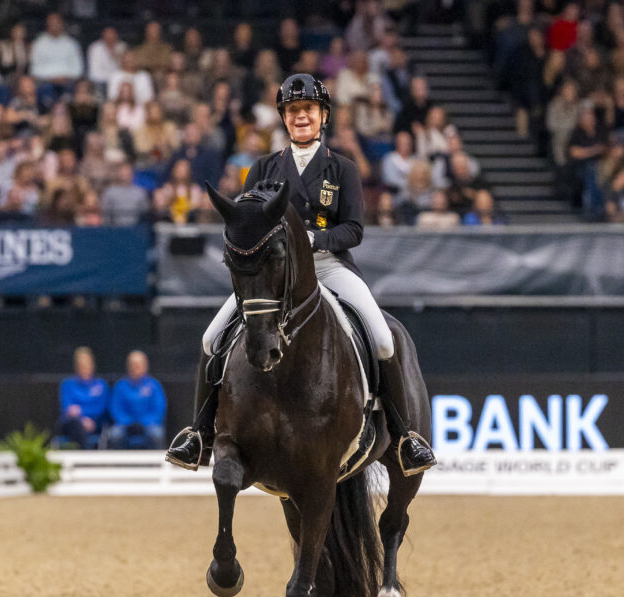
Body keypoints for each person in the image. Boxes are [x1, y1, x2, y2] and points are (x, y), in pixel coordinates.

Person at [165, 73, 436, 475]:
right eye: (293, 111)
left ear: (322, 115)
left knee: (381, 338)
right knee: (211, 338)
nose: (301, 117)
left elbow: (354, 230)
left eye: (308, 109)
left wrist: (314, 240)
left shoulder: (341, 168)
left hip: (329, 266)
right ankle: (199, 435)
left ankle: (403, 437)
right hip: (274, 274)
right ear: (284, 118)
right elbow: (248, 222)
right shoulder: (263, 168)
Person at [106, 351, 166, 450]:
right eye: (133, 364)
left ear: (145, 366)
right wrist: (128, 422)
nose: (136, 367)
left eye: (139, 364)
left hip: (148, 424)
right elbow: (115, 409)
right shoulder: (120, 386)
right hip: (125, 425)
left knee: (157, 434)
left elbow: (159, 409)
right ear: (128, 366)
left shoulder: (154, 385)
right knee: (114, 435)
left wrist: (144, 422)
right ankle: (117, 464)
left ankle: (156, 464)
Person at [56, 346, 108, 449]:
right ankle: (84, 455)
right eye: (80, 365)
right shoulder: (67, 385)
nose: (83, 367)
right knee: (75, 424)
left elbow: (101, 407)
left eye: (86, 364)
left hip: (95, 424)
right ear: (76, 366)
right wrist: (82, 419)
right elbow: (67, 407)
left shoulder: (101, 385)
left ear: (92, 365)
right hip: (71, 424)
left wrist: (85, 415)